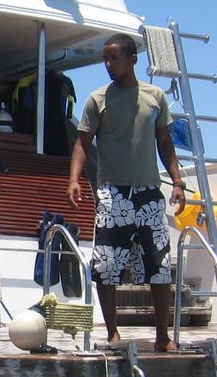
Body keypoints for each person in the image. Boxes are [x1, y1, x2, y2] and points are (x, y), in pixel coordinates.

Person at [66, 33, 186, 352]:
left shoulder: (155, 97)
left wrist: (177, 182)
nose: (109, 64)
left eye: (115, 58)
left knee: (159, 266)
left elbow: (164, 143)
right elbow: (82, 143)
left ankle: (163, 337)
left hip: (148, 192)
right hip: (112, 193)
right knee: (106, 266)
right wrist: (74, 179)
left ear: (132, 59)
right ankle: (112, 334)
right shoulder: (97, 100)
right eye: (105, 58)